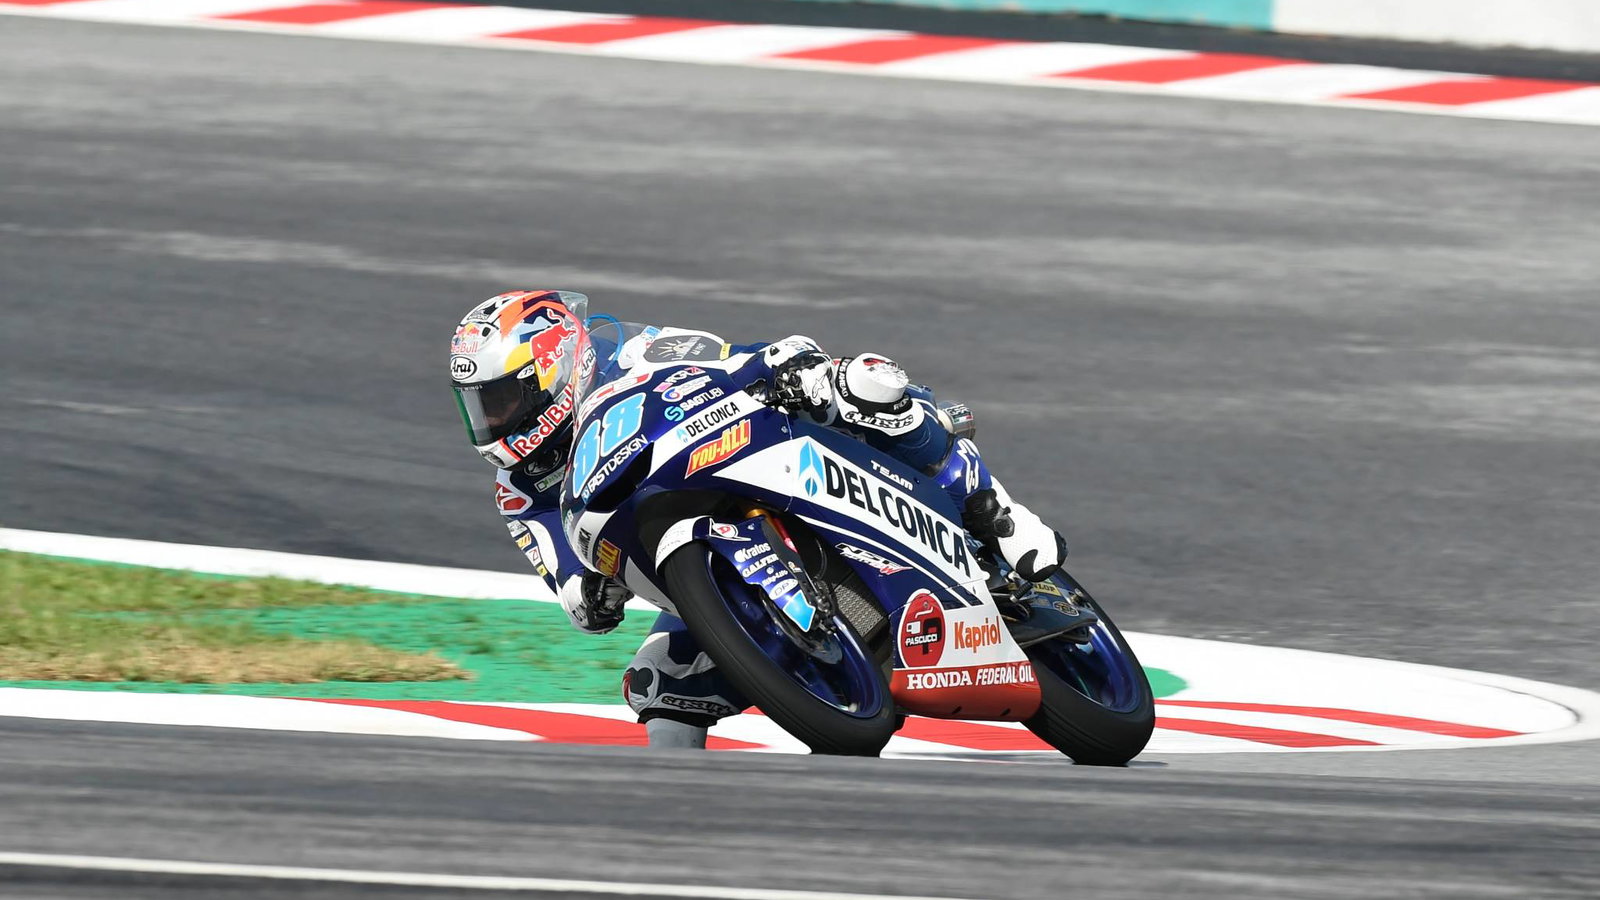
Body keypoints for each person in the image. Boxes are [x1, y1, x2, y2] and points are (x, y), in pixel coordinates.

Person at [449, 289, 1067, 748]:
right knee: (656, 683)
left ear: (556, 368)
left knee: (861, 382)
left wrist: (783, 367)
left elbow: (733, 361)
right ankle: (688, 812)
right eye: (479, 406)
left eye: (503, 399)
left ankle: (995, 511)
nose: (492, 421)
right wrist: (590, 593)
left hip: (747, 459)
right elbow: (568, 584)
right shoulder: (517, 488)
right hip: (690, 556)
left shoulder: (640, 350)